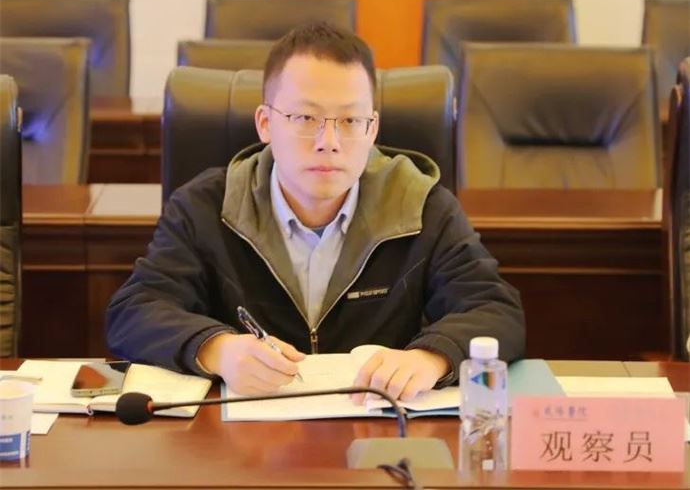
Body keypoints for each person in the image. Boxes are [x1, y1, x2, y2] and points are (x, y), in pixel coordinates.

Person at [106, 22, 525, 403]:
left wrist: (431, 357)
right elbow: (135, 310)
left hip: (377, 434)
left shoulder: (421, 204)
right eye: (306, 117)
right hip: (245, 440)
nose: (329, 141)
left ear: (372, 129)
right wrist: (216, 349)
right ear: (265, 123)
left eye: (350, 120)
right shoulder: (205, 206)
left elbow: (496, 310)